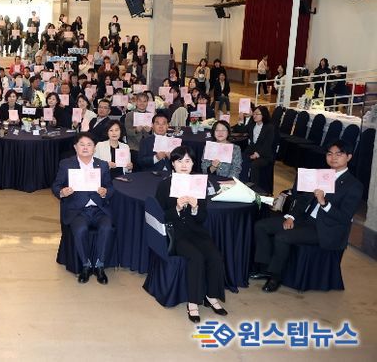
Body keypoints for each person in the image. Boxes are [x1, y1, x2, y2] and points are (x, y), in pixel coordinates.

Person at [251, 140, 363, 293]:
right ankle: (265, 268)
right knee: (261, 226)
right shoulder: (321, 175)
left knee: (282, 237)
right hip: (305, 219)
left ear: (349, 157)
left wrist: (324, 203)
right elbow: (303, 200)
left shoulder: (354, 185)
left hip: (326, 228)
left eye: (339, 154)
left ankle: (276, 277)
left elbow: (344, 217)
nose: (333, 158)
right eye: (330, 154)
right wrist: (291, 217)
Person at [155, 146, 227, 322]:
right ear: (173, 164)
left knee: (215, 256)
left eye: (188, 161)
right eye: (179, 161)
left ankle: (211, 295)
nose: (184, 165)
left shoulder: (198, 184)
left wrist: (195, 208)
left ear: (193, 163)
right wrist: (177, 208)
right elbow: (160, 216)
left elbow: (202, 218)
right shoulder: (165, 185)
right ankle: (193, 302)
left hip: (196, 231)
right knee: (196, 257)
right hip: (175, 233)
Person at [52, 132, 115, 285]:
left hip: (99, 209)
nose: (85, 148)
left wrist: (105, 192)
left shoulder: (102, 165)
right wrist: (62, 192)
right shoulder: (66, 164)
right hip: (77, 210)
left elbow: (110, 187)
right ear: (75, 147)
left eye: (89, 145)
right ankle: (86, 265)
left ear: (94, 148)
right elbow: (56, 186)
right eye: (82, 144)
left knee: (107, 228)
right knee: (80, 230)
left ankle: (99, 265)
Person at [242, 105, 275, 191]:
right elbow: (242, 130)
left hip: (264, 154)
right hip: (252, 151)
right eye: (254, 114)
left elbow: (268, 144)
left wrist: (257, 154)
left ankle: (254, 188)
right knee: (241, 158)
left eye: (257, 114)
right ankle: (243, 183)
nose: (254, 116)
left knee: (254, 165)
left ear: (263, 115)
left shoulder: (269, 127)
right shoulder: (252, 125)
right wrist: (240, 120)